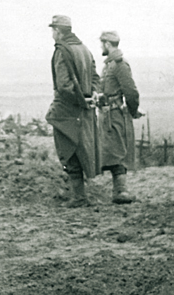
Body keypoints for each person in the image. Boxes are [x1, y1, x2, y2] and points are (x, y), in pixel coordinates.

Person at [45, 15, 101, 207]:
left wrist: (79, 100)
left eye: (53, 30)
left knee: (68, 150)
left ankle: (79, 197)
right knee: (82, 149)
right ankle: (80, 196)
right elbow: (95, 77)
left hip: (67, 110)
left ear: (58, 31)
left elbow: (63, 85)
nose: (52, 33)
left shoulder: (62, 50)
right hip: (84, 111)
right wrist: (92, 95)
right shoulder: (85, 49)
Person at [98, 31, 142, 204]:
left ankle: (121, 192)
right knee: (110, 151)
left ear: (108, 44)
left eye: (102, 44)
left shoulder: (119, 65)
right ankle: (119, 191)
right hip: (107, 115)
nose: (101, 47)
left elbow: (131, 92)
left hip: (115, 116)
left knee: (117, 152)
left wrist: (133, 110)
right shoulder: (109, 65)